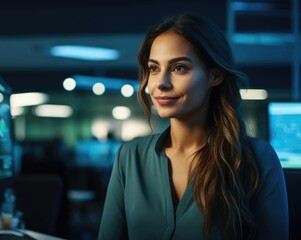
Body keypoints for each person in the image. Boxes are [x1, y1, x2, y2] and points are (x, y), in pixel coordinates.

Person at [98, 14, 288, 240]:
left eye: (179, 68)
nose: (161, 83)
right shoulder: (130, 157)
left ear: (214, 75)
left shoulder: (257, 158)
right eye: (154, 68)